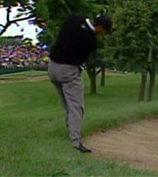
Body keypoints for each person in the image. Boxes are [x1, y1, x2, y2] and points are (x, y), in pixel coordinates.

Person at [48, 14, 112, 153]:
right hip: (68, 71)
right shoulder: (91, 41)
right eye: (104, 31)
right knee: (76, 106)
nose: (103, 34)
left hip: (52, 68)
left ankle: (70, 129)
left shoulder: (73, 19)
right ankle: (75, 142)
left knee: (67, 103)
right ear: (100, 27)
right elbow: (83, 60)